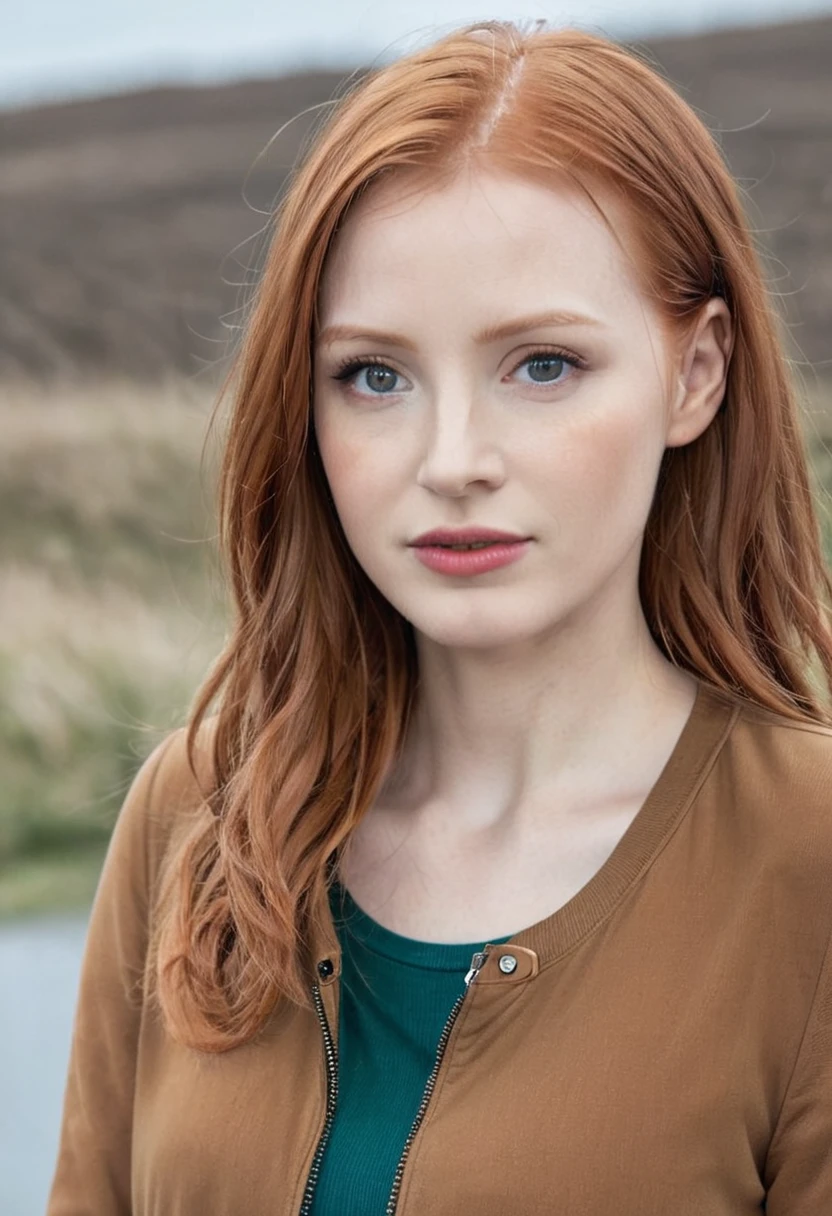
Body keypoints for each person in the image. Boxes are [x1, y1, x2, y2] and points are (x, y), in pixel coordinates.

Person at [46, 20, 832, 1216]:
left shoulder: (808, 860)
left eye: (542, 365)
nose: (451, 460)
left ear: (696, 373)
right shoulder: (192, 814)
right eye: (374, 375)